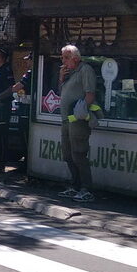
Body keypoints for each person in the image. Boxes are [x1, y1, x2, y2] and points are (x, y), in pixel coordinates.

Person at [57, 44, 98, 202]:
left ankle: (86, 188)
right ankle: (75, 186)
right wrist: (61, 77)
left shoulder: (85, 70)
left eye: (66, 58)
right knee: (67, 155)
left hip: (77, 120)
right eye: (62, 57)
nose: (63, 61)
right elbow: (61, 92)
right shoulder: (70, 73)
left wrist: (81, 112)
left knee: (78, 154)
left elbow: (90, 94)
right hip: (66, 120)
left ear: (75, 58)